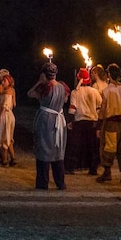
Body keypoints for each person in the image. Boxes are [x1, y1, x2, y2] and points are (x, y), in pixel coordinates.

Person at [27, 62, 70, 190]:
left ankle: (42, 183)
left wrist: (39, 82)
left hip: (46, 119)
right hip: (59, 118)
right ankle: (60, 182)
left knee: (43, 149)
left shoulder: (44, 87)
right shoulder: (63, 86)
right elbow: (66, 100)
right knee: (58, 149)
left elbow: (30, 94)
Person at [96, 63, 121, 184]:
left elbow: (103, 109)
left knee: (108, 148)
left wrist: (99, 124)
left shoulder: (107, 90)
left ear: (108, 75)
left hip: (112, 123)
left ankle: (107, 172)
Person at [65, 67, 102, 175]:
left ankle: (70, 167)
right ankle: (93, 169)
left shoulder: (75, 92)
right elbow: (99, 107)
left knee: (75, 145)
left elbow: (72, 108)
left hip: (79, 121)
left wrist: (69, 121)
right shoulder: (95, 92)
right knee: (92, 146)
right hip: (92, 122)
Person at [0, 69, 17, 167]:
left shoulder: (7, 92)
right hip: (9, 114)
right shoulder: (9, 91)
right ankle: (12, 159)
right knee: (8, 138)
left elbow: (4, 105)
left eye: (4, 80)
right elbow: (14, 104)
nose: (2, 82)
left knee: (3, 137)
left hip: (5, 115)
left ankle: (5, 160)